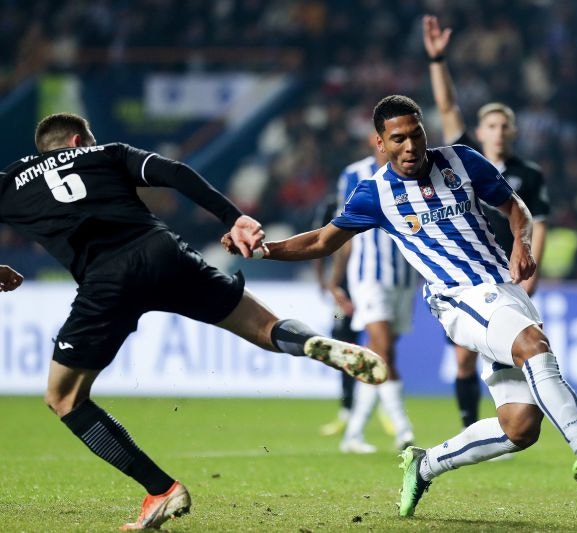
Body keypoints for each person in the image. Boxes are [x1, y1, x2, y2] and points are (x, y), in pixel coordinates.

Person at [222, 95, 577, 517]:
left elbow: (515, 207)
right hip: (457, 298)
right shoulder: (375, 193)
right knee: (533, 346)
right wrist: (263, 251)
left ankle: (425, 464)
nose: (410, 147)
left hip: (503, 290)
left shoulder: (463, 161)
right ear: (380, 143)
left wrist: (520, 244)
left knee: (520, 427)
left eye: (416, 135)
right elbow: (321, 241)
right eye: (398, 139)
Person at [0, 113, 388, 530]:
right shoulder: (108, 153)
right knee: (263, 326)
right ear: (79, 142)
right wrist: (233, 217)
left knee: (64, 399)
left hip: (106, 279)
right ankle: (312, 343)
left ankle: (160, 489)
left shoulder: (10, 182)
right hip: (162, 251)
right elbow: (175, 172)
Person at [423, 15, 550, 432]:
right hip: (465, 269)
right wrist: (438, 60)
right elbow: (445, 107)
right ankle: (467, 425)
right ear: (479, 131)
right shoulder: (465, 158)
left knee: (513, 349)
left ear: (513, 132)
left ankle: (511, 420)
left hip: (506, 272)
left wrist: (531, 268)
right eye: (490, 125)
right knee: (462, 355)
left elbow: (538, 222)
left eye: (503, 126)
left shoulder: (528, 174)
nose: (496, 132)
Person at [326, 138, 418, 453]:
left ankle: (353, 433)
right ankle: (403, 430)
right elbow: (344, 231)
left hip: (406, 279)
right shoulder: (354, 175)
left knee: (379, 354)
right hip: (368, 277)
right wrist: (336, 281)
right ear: (375, 138)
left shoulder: (416, 172)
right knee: (383, 348)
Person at [311, 192, 360, 436]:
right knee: (342, 343)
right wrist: (326, 282)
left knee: (370, 346)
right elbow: (319, 242)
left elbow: (345, 248)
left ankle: (368, 409)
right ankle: (347, 409)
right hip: (345, 292)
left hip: (361, 289)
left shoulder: (363, 198)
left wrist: (330, 282)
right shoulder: (332, 203)